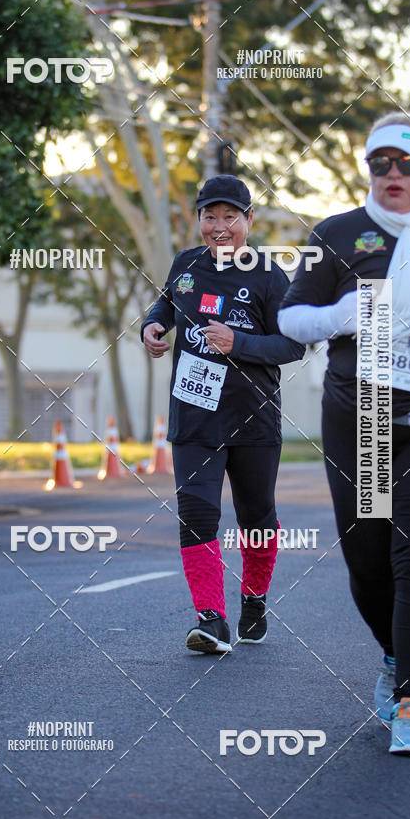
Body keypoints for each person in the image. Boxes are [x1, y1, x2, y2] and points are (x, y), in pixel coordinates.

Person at [278, 112, 410, 756]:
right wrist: (338, 314)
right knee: (367, 561)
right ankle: (395, 654)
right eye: (378, 163)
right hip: (363, 420)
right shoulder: (336, 233)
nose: (391, 174)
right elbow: (291, 317)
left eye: (405, 164)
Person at [141, 175, 304, 654]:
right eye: (209, 217)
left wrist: (242, 344)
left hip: (252, 418)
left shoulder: (270, 276)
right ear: (198, 220)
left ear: (249, 220)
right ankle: (211, 620)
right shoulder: (185, 264)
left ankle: (254, 598)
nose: (219, 227)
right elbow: (167, 304)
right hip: (194, 416)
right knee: (197, 512)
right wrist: (153, 325)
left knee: (256, 517)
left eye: (229, 217)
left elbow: (294, 343)